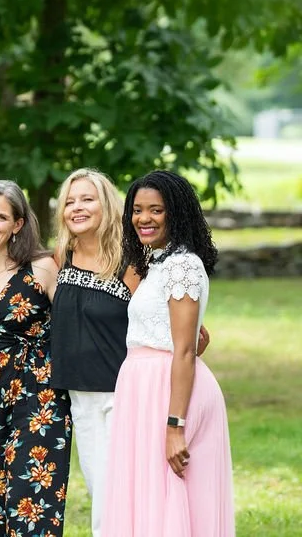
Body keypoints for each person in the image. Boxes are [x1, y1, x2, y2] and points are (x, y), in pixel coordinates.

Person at [50, 168, 211, 537]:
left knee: (118, 500)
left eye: (87, 199)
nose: (77, 208)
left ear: (107, 205)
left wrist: (192, 345)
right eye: (70, 201)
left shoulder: (132, 262)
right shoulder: (63, 255)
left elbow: (160, 324)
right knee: (101, 494)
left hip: (121, 394)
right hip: (78, 394)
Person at [102, 170, 233, 536]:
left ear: (175, 213)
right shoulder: (158, 262)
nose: (144, 218)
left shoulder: (182, 266)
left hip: (170, 395)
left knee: (174, 502)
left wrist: (176, 427)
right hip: (143, 391)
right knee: (149, 502)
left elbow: (185, 351)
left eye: (156, 210)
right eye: (138, 210)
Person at [0, 180, 71, 537]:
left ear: (17, 225)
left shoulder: (41, 268)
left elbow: (77, 325)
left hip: (41, 396)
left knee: (32, 503)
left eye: (1, 217)